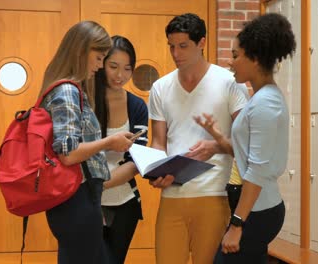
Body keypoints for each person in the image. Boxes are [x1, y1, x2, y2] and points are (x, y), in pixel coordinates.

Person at [194, 13, 296, 263]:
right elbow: (247, 154)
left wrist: (237, 224)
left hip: (257, 212)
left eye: (236, 55)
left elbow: (257, 170)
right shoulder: (262, 99)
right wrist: (217, 140)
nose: (231, 63)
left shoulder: (265, 104)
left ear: (256, 58)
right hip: (254, 208)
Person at [147, 13, 248, 264]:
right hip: (172, 195)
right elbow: (158, 142)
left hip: (214, 195)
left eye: (183, 46)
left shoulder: (229, 82)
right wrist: (155, 170)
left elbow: (247, 144)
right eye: (171, 46)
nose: (176, 53)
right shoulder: (161, 87)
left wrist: (214, 146)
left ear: (201, 43)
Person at [39, 21, 134, 264]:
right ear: (82, 51)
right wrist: (108, 142)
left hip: (75, 199)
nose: (100, 66)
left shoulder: (67, 88)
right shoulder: (68, 92)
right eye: (99, 58)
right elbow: (68, 154)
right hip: (76, 198)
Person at [95, 35, 148, 264]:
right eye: (113, 66)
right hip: (87, 202)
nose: (120, 75)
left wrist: (100, 183)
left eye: (127, 69)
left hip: (124, 201)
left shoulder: (136, 105)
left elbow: (136, 160)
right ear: (101, 65)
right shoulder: (85, 100)